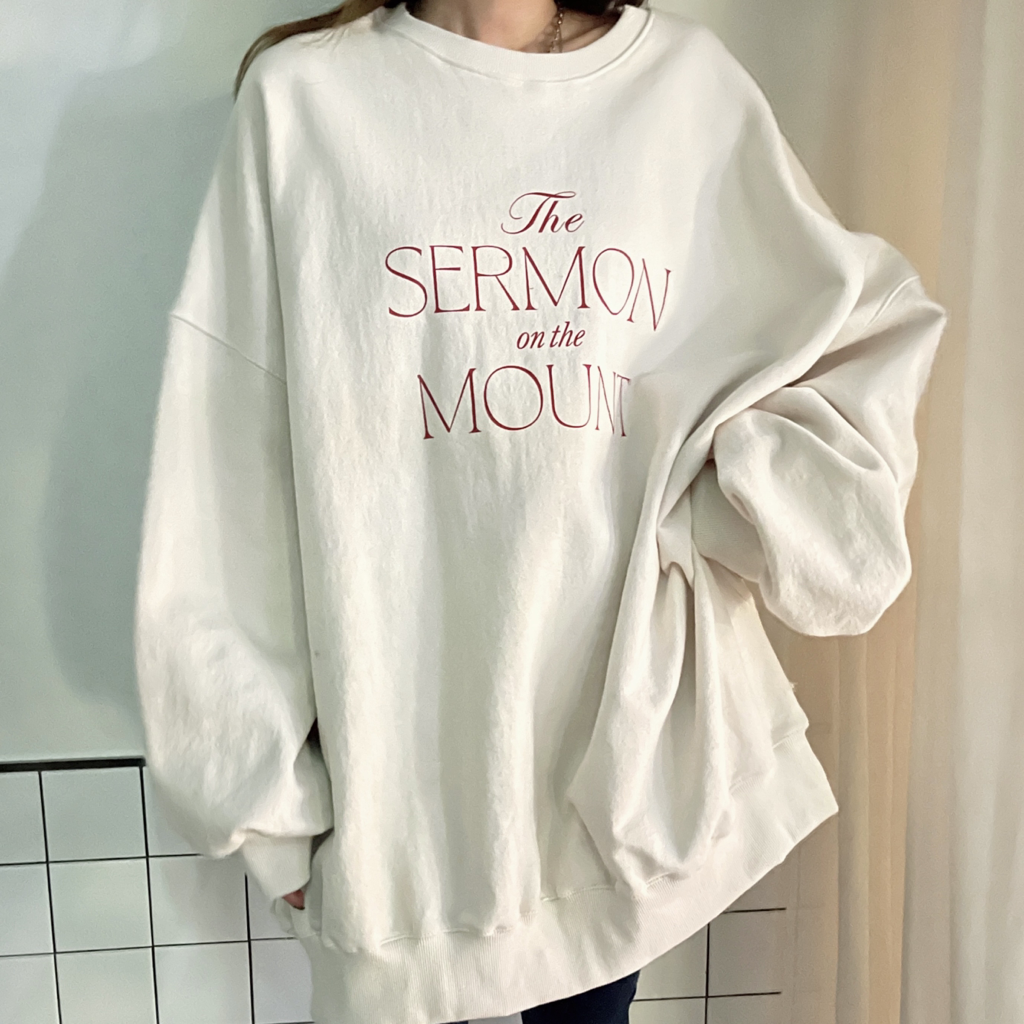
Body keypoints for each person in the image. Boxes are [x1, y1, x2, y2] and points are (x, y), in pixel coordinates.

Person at [132, 0, 947, 1022]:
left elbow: (858, 332)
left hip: (613, 763)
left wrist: (725, 491)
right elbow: (227, 464)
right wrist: (261, 798)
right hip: (400, 783)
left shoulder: (681, 91)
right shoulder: (306, 102)